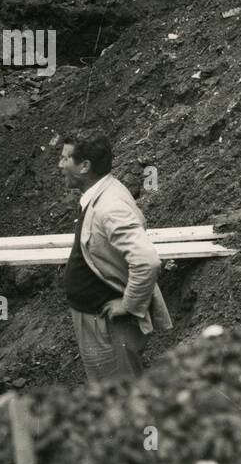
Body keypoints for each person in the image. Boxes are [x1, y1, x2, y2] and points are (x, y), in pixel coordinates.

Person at [58, 133, 172, 384]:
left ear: (85, 166)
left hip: (108, 327)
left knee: (119, 398)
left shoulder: (110, 207)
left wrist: (129, 305)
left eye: (66, 158)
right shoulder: (101, 193)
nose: (60, 165)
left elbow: (146, 260)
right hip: (97, 322)